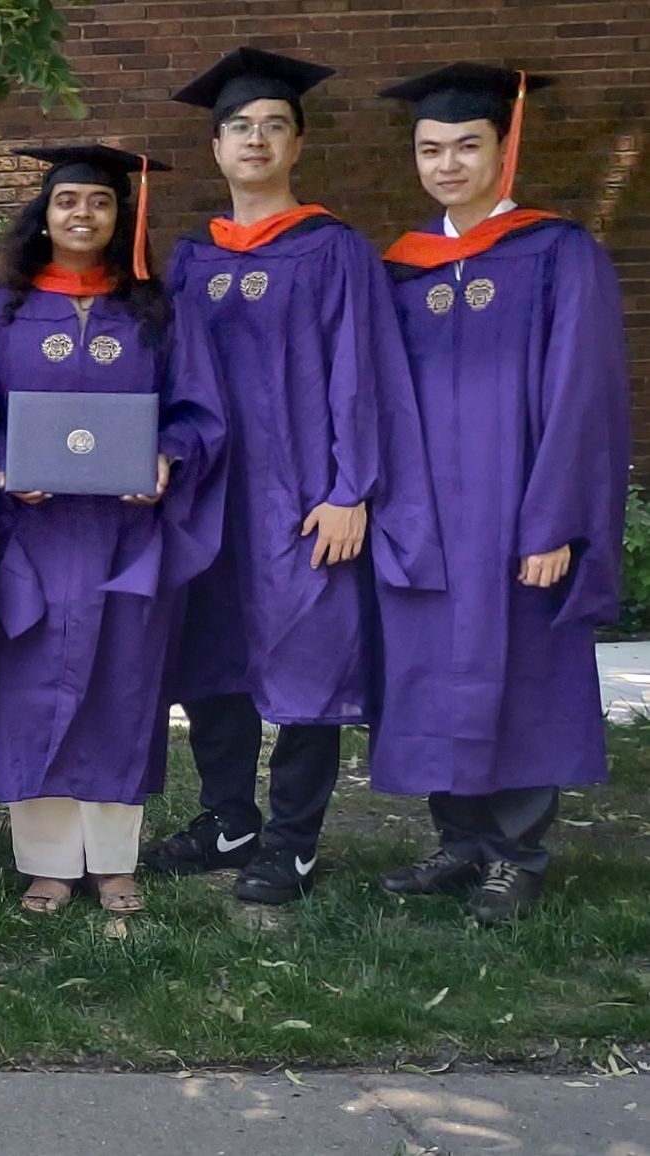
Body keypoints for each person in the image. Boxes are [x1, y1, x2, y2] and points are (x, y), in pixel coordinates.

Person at [147, 48, 441, 905]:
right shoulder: (194, 256)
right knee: (214, 658)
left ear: (298, 145)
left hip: (303, 495)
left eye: (274, 126)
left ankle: (293, 840)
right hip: (213, 496)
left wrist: (352, 490)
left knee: (312, 664)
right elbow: (166, 376)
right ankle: (228, 817)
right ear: (216, 147)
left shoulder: (333, 248)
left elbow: (365, 371)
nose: (256, 140)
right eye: (240, 127)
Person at [370, 65, 626, 924]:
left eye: (466, 146)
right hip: (426, 515)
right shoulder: (403, 268)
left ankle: (517, 855)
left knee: (520, 677)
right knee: (434, 674)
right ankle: (460, 843)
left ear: (502, 151)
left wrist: (555, 521)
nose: (447, 164)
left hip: (517, 513)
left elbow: (581, 397)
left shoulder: (558, 254)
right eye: (430, 149)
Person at [0, 144, 225, 917]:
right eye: (68, 200)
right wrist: (5, 463)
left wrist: (170, 457)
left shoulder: (157, 311)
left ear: (122, 216)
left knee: (121, 688)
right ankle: (45, 863)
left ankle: (112, 863)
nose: (83, 214)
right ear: (43, 215)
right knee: (29, 688)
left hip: (124, 537)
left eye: (100, 202)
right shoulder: (0, 312)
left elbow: (199, 411)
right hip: (32, 537)